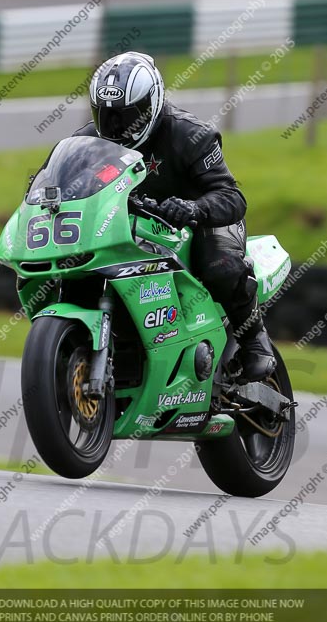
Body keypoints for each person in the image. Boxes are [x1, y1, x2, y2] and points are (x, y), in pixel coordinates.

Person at [73, 51, 275, 380]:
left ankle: (255, 342)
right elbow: (60, 186)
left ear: (152, 104)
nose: (115, 127)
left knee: (218, 265)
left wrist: (194, 208)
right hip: (130, 227)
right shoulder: (85, 142)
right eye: (106, 115)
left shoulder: (190, 135)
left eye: (127, 116)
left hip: (202, 223)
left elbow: (232, 196)